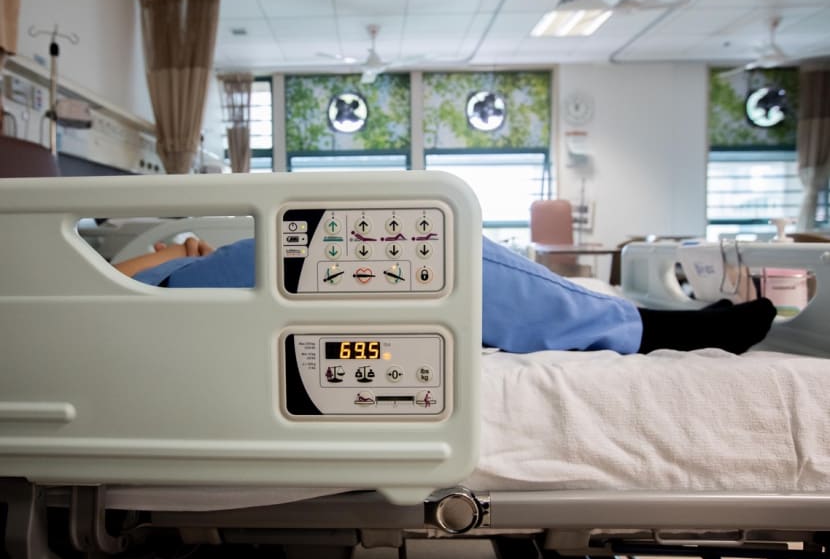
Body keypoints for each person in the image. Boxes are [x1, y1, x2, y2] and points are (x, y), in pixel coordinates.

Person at [114, 236, 778, 355]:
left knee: (444, 261)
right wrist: (181, 249)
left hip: (192, 295)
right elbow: (123, 274)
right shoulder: (89, 283)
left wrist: (184, 249)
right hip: (175, 296)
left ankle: (649, 325)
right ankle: (656, 330)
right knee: (443, 255)